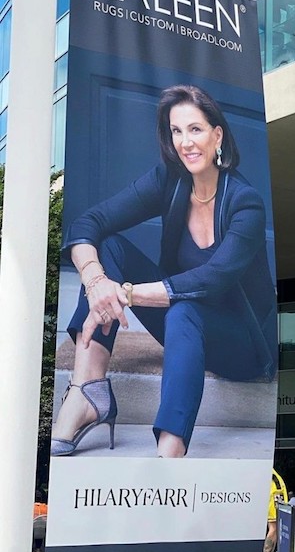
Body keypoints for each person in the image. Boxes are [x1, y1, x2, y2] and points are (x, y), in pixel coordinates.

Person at [49, 84, 277, 458]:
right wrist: (95, 282)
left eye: (196, 129)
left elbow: (213, 277)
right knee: (108, 249)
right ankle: (87, 389)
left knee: (186, 307)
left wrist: (124, 292)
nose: (185, 142)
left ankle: (170, 452)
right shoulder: (169, 182)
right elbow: (88, 223)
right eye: (176, 131)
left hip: (241, 343)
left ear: (217, 135)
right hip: (181, 323)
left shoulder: (245, 203)